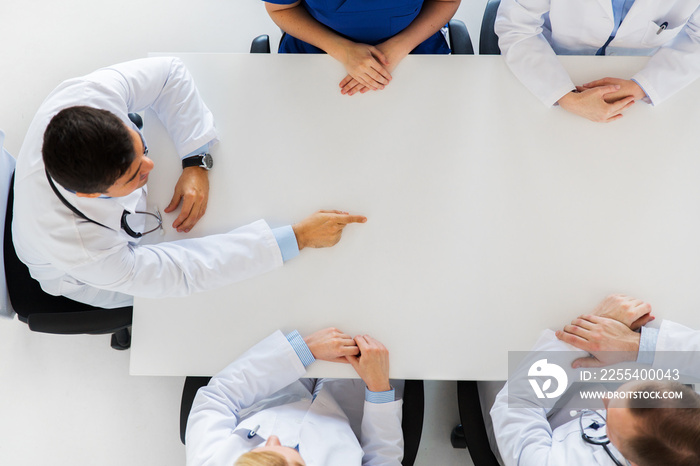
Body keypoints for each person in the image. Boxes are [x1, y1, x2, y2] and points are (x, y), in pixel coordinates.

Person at [12, 57, 366, 310]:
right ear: (93, 195)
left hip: (94, 218)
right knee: (215, 303)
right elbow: (182, 272)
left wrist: (196, 160)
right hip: (75, 274)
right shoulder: (82, 247)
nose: (150, 165)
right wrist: (297, 238)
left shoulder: (87, 97)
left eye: (142, 149)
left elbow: (169, 74)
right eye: (136, 175)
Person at [490, 295, 700, 465]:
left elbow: (519, 403)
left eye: (610, 423)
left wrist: (581, 337)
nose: (606, 398)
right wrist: (636, 344)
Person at [185, 327, 403, 465]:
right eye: (288, 451)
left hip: (272, 386)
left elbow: (217, 397)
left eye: (261, 450)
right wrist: (378, 388)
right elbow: (383, 459)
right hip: (352, 412)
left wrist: (302, 350)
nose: (271, 438)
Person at [495, 0, 700, 122]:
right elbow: (517, 27)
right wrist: (564, 96)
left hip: (643, 69)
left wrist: (643, 86)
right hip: (553, 61)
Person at [263, 0, 461, 95]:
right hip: (317, 54)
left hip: (414, 50)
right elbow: (281, 8)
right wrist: (343, 50)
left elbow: (447, 1)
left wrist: (397, 48)